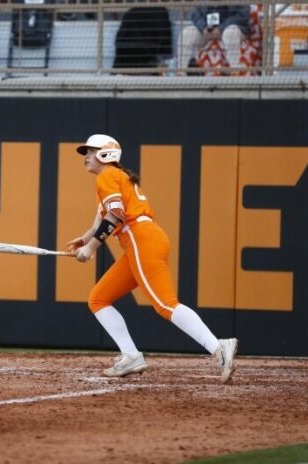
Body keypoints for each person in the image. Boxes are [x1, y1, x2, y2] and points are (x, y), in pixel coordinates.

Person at [67, 134, 238, 382]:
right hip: (145, 239)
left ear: (106, 154)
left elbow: (116, 215)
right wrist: (85, 239)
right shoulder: (114, 177)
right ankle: (131, 356)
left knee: (166, 304)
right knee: (99, 299)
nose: (86, 157)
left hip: (140, 239)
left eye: (91, 152)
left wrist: (92, 248)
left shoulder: (107, 176)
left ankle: (219, 348)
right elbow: (102, 219)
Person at [178, 4, 250, 72]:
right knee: (186, 33)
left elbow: (242, 15)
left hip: (230, 29)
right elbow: (195, 14)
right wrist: (203, 28)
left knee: (230, 33)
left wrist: (221, 29)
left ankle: (235, 73)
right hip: (207, 30)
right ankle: (181, 73)